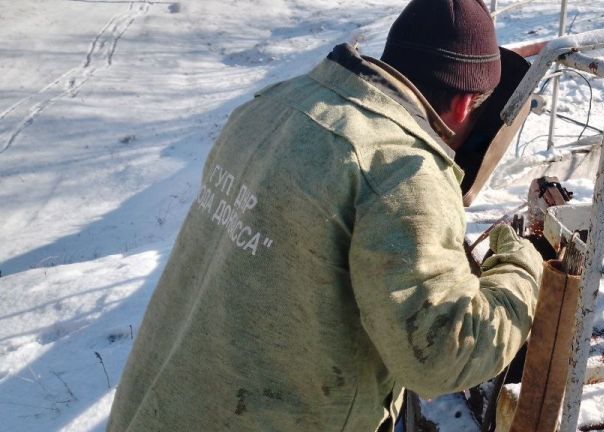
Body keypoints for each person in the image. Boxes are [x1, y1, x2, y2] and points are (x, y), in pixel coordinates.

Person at [106, 0, 543, 430]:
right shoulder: (401, 171)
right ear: (465, 106)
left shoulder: (276, 103)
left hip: (156, 409)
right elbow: (442, 356)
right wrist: (522, 269)